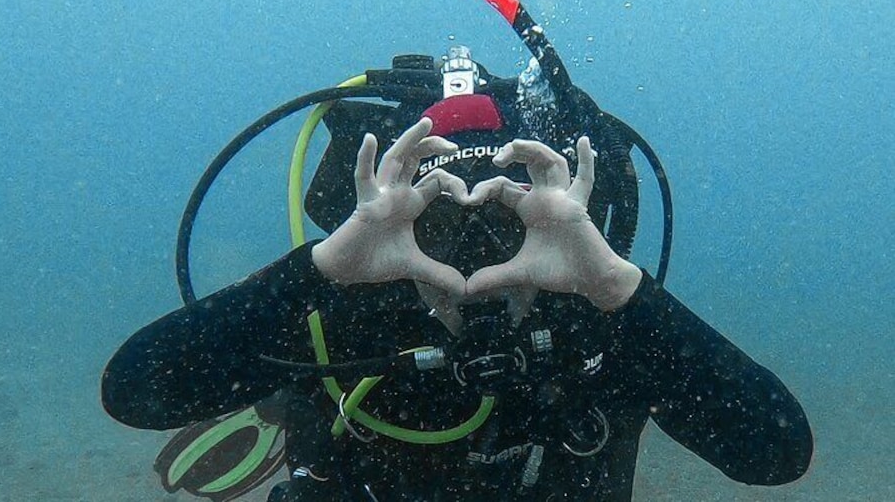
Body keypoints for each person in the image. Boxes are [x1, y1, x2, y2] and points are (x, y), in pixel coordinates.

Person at [102, 116, 813, 501]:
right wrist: (319, 272)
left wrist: (619, 290)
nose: (471, 276)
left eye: (507, 235)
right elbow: (134, 391)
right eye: (437, 233)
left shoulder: (587, 321)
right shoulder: (356, 309)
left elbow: (776, 455)